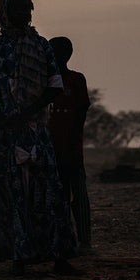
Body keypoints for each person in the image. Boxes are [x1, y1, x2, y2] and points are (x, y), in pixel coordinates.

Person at [0, 0, 79, 276]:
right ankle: (18, 259)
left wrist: (30, 112)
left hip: (36, 131)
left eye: (27, 8)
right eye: (18, 8)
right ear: (4, 13)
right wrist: (4, 118)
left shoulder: (42, 46)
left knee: (49, 191)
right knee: (11, 191)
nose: (24, 14)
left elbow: (55, 86)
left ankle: (58, 257)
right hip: (5, 135)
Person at [47, 36, 92, 253]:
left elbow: (81, 114)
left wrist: (70, 147)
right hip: (49, 151)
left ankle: (84, 242)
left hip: (72, 151)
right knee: (58, 197)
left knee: (79, 197)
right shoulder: (43, 81)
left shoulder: (76, 80)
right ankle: (62, 241)